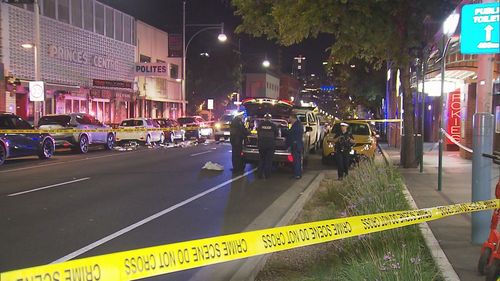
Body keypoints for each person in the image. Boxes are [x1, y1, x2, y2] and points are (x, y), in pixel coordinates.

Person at [257, 113, 278, 179]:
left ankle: (260, 174)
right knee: (268, 160)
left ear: (264, 118)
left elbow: (258, 134)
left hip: (261, 145)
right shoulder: (273, 125)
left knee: (261, 160)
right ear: (270, 118)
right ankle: (267, 175)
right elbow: (276, 134)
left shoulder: (260, 125)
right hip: (270, 145)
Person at [287, 113, 304, 179]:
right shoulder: (298, 124)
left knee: (296, 160)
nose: (289, 119)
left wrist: (284, 131)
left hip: (296, 145)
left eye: (290, 118)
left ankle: (297, 174)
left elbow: (291, 133)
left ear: (293, 118)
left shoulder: (297, 125)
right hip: (297, 144)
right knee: (297, 160)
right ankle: (297, 174)